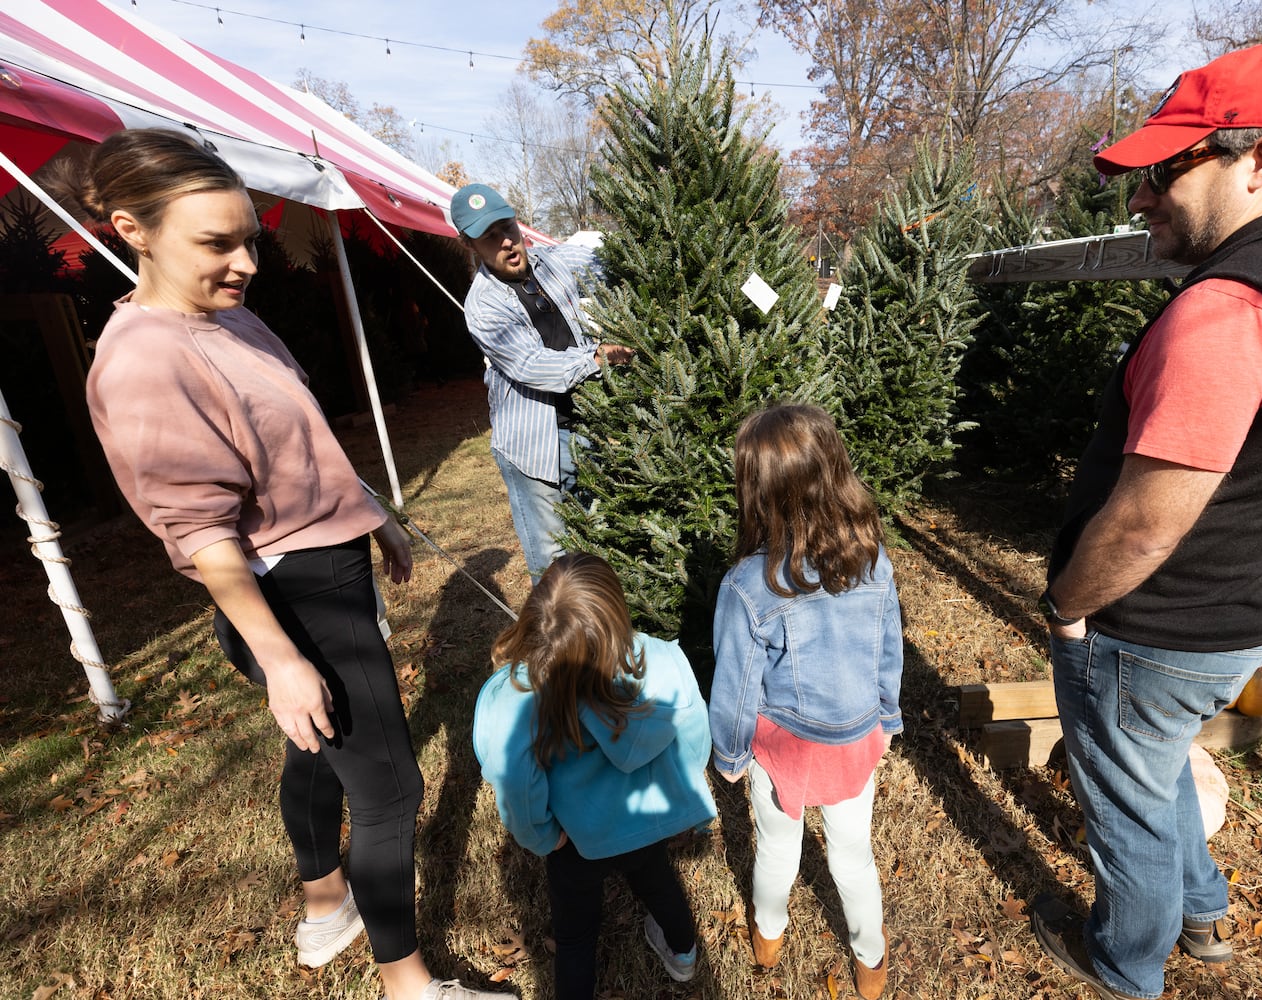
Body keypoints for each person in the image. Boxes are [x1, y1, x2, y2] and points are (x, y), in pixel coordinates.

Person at [70, 128, 513, 1000]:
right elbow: (203, 534)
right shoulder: (145, 359)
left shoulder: (227, 315)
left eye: (247, 240)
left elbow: (296, 436)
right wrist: (282, 657)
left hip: (326, 563)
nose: (243, 262)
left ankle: (324, 908)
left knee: (315, 752)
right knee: (390, 790)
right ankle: (409, 985)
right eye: (214, 243)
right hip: (295, 595)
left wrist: (371, 514)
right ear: (133, 229)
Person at [1028, 46, 1262, 1000]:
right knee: (1159, 773)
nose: (1140, 199)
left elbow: (1149, 521)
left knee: (1125, 805)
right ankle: (1203, 913)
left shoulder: (1225, 310)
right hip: (1239, 614)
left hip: (1149, 629)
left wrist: (1067, 602)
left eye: (1165, 171)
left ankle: (1124, 965)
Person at [710, 403, 904, 1000]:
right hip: (855, 741)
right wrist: (888, 715)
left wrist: (732, 755)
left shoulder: (748, 586)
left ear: (758, 492)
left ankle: (768, 936)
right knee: (854, 854)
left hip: (785, 750)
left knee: (776, 848)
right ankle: (871, 961)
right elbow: (888, 647)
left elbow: (736, 686)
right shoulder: (873, 560)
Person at [472, 553, 716, 999]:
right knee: (659, 882)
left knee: (575, 934)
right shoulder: (662, 661)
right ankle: (682, 953)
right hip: (644, 822)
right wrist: (689, 808)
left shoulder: (518, 693)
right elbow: (695, 734)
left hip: (576, 840)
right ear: (615, 610)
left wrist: (543, 837)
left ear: (534, 619)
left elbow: (515, 782)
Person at [451, 184, 634, 584]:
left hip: (585, 430)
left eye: (508, 226)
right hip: (533, 445)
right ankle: (556, 645)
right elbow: (532, 365)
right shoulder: (482, 307)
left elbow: (611, 261)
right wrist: (598, 356)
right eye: (490, 237)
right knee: (554, 567)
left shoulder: (553, 261)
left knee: (597, 548)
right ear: (469, 244)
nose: (506, 242)